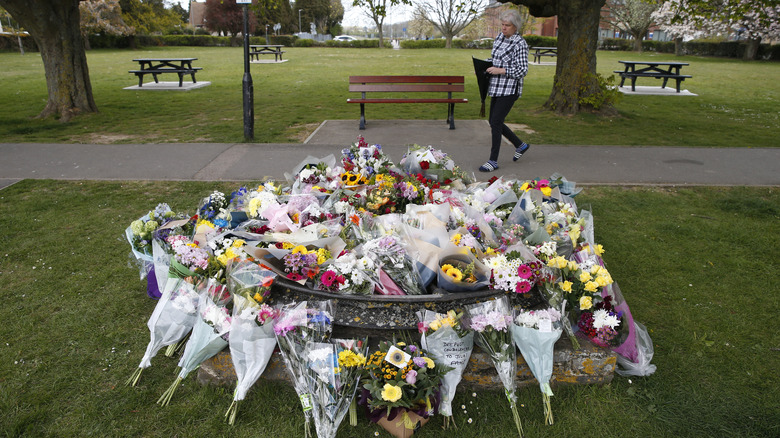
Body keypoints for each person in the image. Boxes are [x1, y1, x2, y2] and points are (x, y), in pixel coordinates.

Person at [479, 9, 531, 173]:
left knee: (495, 122)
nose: (503, 28)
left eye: (507, 25)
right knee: (494, 120)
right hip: (496, 87)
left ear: (515, 27)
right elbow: (495, 59)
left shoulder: (519, 43)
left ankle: (493, 161)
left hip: (510, 89)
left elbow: (522, 70)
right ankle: (520, 145)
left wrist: (501, 70)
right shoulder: (500, 38)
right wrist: (483, 66)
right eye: (502, 24)